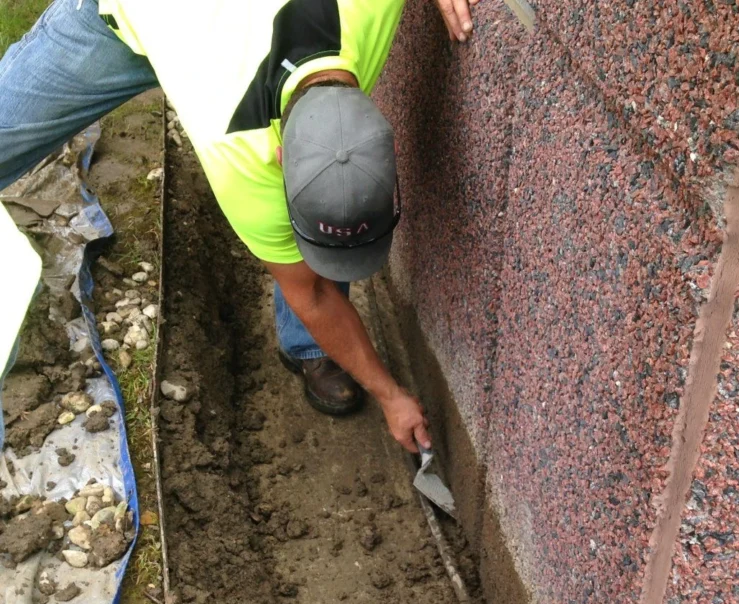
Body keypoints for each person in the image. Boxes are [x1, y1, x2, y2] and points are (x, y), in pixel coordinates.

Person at [0, 0, 481, 453]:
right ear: (279, 158)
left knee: (330, 192)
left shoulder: (369, 10)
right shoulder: (235, 150)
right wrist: (390, 395)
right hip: (131, 17)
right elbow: (311, 292)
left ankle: (307, 346)